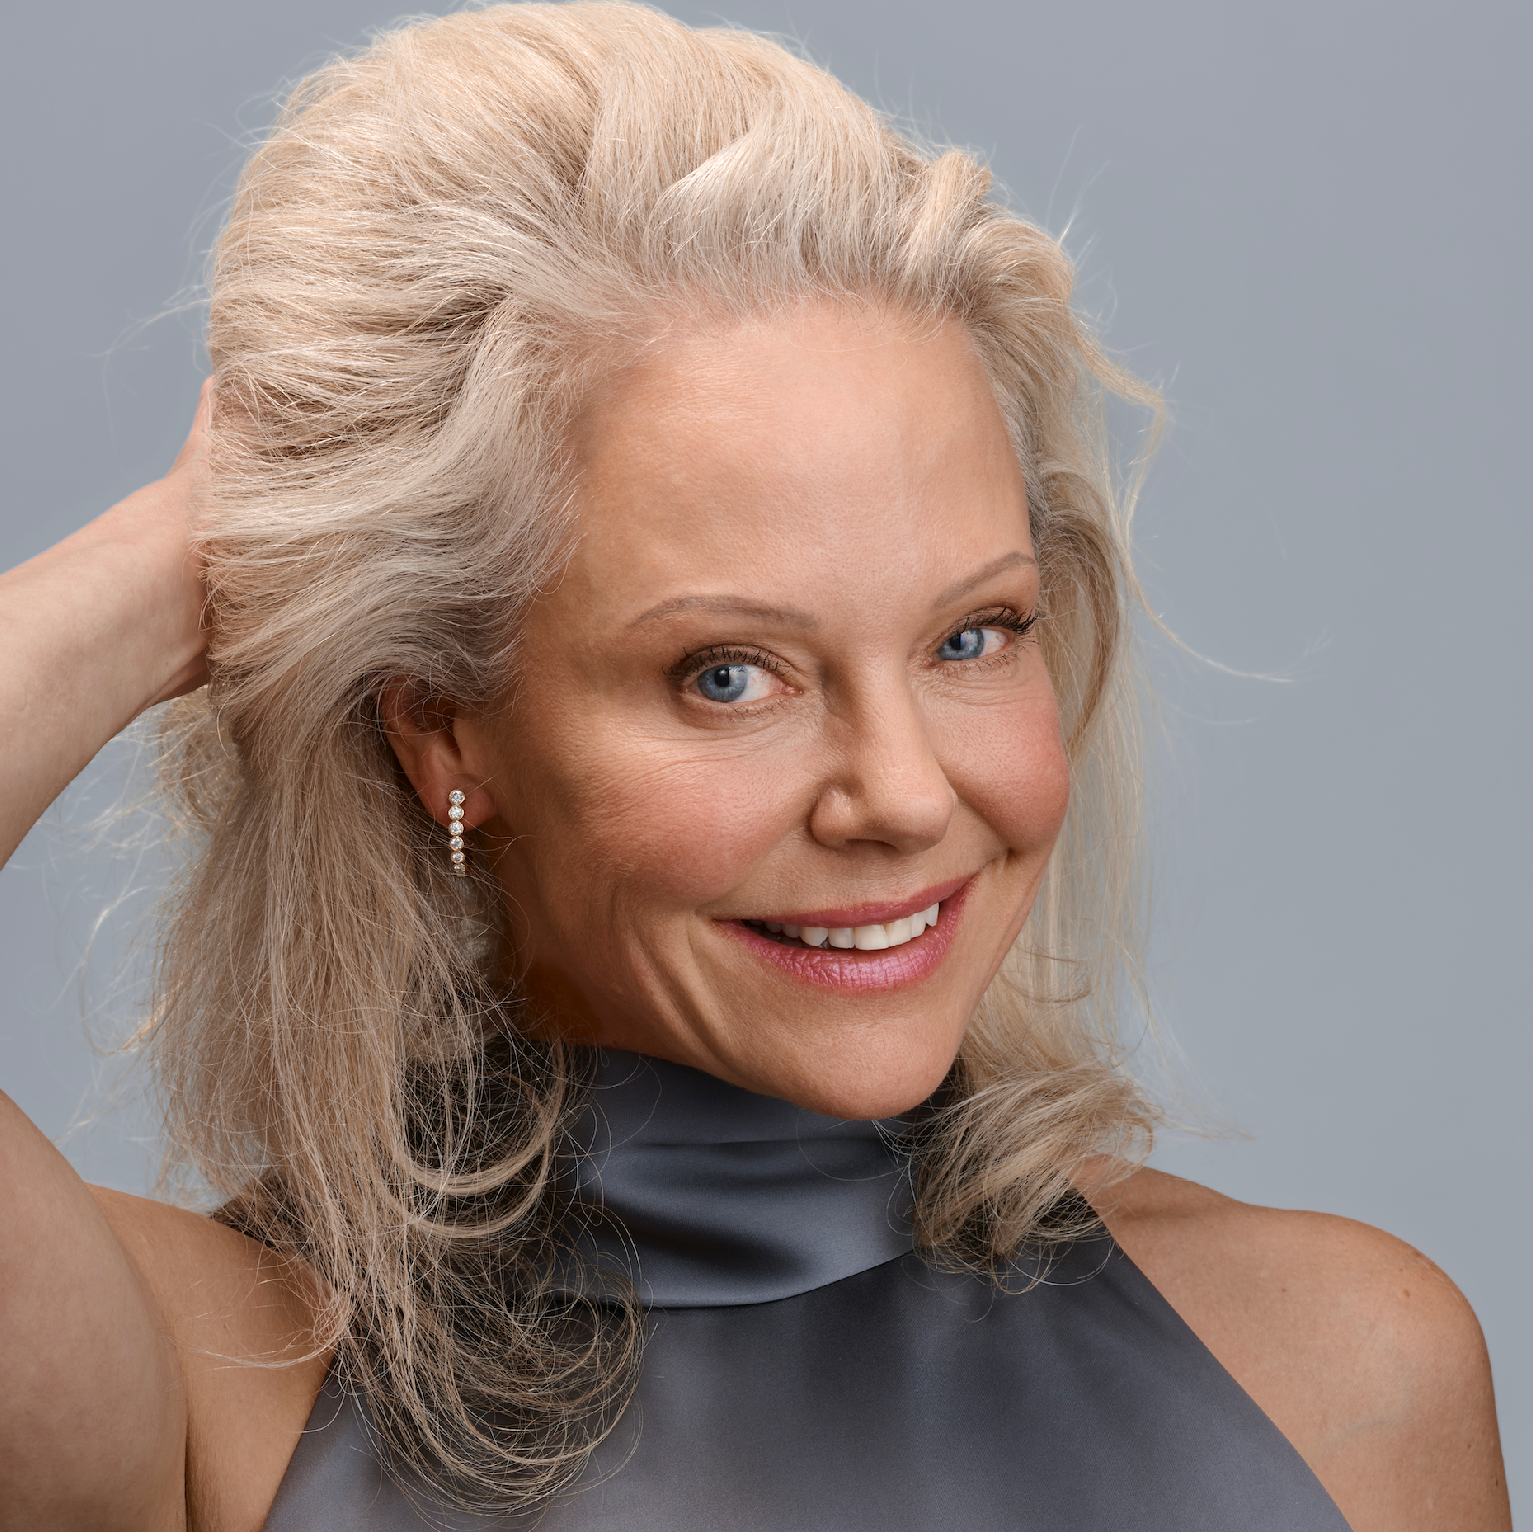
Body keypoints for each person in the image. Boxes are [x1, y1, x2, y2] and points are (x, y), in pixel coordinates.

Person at [0, 4, 1510, 1529]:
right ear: (441, 723)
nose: (908, 795)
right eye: (730, 675)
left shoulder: (1342, 1374)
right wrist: (177, 564)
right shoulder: (206, 1386)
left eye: (973, 636)